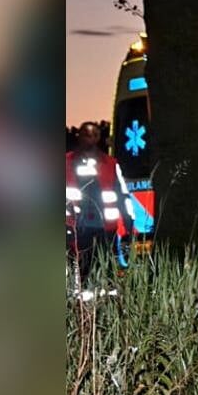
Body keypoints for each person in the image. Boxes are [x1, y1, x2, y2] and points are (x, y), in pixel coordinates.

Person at [65, 122, 126, 295]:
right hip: (77, 228)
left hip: (106, 228)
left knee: (108, 271)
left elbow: (120, 193)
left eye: (94, 135)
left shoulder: (110, 163)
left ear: (99, 138)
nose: (90, 139)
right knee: (82, 270)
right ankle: (85, 312)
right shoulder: (66, 162)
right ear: (79, 136)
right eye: (86, 134)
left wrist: (128, 222)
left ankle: (109, 305)